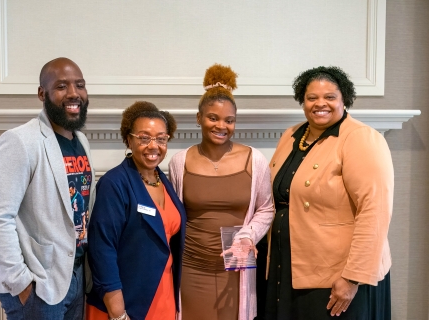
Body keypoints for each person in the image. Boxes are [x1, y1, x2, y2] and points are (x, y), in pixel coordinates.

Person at [265, 66, 393, 320]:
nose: (320, 104)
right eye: (312, 98)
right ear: (303, 100)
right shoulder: (291, 135)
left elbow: (374, 212)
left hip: (336, 274)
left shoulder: (361, 138)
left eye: (330, 97)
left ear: (344, 99)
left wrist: (352, 277)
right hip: (288, 266)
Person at [0, 57, 95, 320]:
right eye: (62, 86)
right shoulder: (20, 141)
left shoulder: (82, 141)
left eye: (80, 85)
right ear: (42, 93)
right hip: (38, 283)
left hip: (75, 276)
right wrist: (21, 283)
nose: (74, 93)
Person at [168, 64, 274, 320]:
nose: (221, 126)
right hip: (191, 269)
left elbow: (267, 208)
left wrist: (249, 235)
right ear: (198, 118)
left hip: (236, 269)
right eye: (212, 118)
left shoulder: (255, 160)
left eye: (229, 120)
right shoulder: (179, 162)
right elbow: (172, 216)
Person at [86, 101, 186, 320]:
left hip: (163, 297)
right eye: (144, 137)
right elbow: (102, 250)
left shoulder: (163, 180)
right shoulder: (114, 184)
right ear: (129, 139)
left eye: (161, 138)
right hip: (125, 304)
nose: (153, 146)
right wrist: (118, 313)